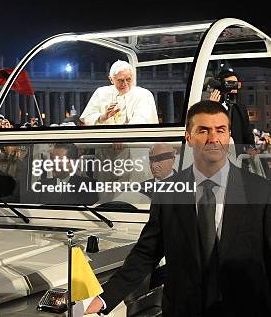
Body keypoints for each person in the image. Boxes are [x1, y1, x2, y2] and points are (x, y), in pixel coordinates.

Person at [86, 100, 271, 316]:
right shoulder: (168, 192)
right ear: (188, 138)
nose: (213, 139)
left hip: (246, 308)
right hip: (183, 309)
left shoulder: (260, 190)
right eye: (203, 130)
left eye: (220, 130)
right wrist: (105, 297)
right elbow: (147, 252)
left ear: (228, 137)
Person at [80, 60, 158, 125]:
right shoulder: (101, 93)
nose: (125, 84)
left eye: (128, 79)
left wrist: (122, 136)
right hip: (105, 140)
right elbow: (87, 117)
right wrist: (103, 117)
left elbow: (141, 120)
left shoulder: (144, 95)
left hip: (133, 141)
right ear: (111, 79)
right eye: (120, 80)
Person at [208, 66, 256, 156]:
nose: (234, 87)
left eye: (236, 84)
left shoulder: (240, 108)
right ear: (221, 85)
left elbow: (247, 132)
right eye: (230, 83)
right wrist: (212, 107)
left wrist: (251, 148)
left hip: (237, 156)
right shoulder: (210, 105)